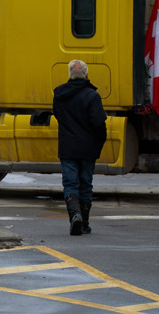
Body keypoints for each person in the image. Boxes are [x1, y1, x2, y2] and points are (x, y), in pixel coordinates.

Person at [53, 59, 107, 236]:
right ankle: (84, 223)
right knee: (85, 184)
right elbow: (98, 123)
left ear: (69, 74)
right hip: (88, 148)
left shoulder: (59, 95)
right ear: (86, 75)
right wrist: (100, 141)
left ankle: (74, 215)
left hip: (68, 147)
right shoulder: (92, 96)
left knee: (70, 184)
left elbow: (59, 117)